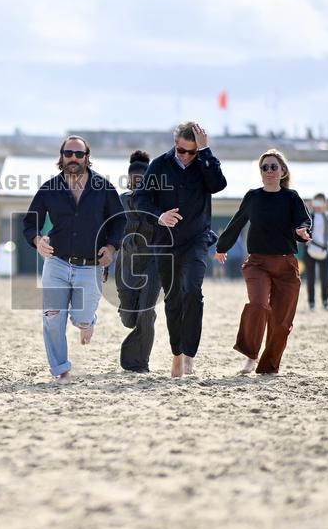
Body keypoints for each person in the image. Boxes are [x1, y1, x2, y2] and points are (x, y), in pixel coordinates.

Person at [23, 135, 125, 385]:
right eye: (69, 153)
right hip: (56, 263)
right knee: (52, 317)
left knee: (81, 319)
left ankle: (87, 321)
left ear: (87, 157)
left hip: (90, 266)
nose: (73, 158)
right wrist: (37, 240)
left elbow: (119, 221)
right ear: (61, 156)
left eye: (79, 154)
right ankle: (61, 369)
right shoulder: (49, 188)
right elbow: (30, 223)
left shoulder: (103, 188)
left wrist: (111, 247)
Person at [136, 121, 227, 377]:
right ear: (175, 144)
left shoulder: (204, 162)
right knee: (173, 298)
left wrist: (206, 152)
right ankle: (176, 354)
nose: (186, 156)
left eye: (192, 151)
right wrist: (159, 216)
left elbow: (218, 185)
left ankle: (189, 356)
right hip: (165, 242)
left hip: (197, 239)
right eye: (182, 150)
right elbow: (141, 198)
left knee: (192, 292)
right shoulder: (159, 165)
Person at [214, 149, 311, 375]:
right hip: (257, 264)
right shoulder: (253, 197)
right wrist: (222, 247)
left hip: (286, 266)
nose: (268, 171)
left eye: (273, 167)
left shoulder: (292, 197)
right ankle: (251, 355)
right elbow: (237, 222)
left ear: (283, 171)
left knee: (281, 323)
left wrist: (303, 232)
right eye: (264, 167)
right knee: (258, 304)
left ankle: (268, 367)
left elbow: (303, 221)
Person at [115, 150, 159, 373]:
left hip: (153, 263)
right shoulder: (120, 200)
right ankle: (138, 315)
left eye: (143, 178)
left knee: (146, 313)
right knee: (129, 319)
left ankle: (139, 362)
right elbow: (110, 231)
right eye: (135, 178)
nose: (138, 182)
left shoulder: (158, 202)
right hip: (126, 263)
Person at [304, 192, 328, 311]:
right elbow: (305, 226)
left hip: (324, 250)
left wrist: (323, 211)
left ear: (325, 203)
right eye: (317, 201)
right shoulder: (309, 215)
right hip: (310, 250)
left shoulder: (327, 215)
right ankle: (311, 303)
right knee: (310, 278)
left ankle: (325, 302)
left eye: (321, 201)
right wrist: (308, 209)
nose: (318, 204)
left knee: (324, 278)